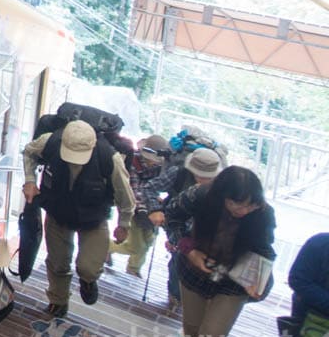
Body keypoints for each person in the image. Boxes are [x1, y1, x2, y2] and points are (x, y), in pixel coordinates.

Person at [163, 165, 275, 337]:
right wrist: (189, 249)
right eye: (236, 203)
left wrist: (260, 280)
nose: (243, 210)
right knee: (193, 327)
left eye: (249, 205)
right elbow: (172, 217)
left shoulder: (263, 212)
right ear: (222, 195)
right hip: (194, 269)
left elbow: (265, 250)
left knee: (213, 335)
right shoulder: (200, 195)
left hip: (235, 279)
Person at [22, 119, 135, 318]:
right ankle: (58, 300)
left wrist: (124, 224)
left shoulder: (110, 157)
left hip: (93, 218)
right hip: (58, 212)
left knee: (89, 267)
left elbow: (125, 195)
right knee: (57, 262)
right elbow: (29, 152)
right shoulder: (49, 142)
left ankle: (88, 281)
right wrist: (30, 180)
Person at [163, 146, 225, 314]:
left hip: (209, 247)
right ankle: (177, 298)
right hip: (189, 240)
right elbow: (173, 216)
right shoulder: (181, 175)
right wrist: (178, 238)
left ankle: (187, 304)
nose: (199, 179)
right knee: (179, 264)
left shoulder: (224, 190)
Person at [108, 134, 174, 278]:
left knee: (149, 240)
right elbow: (133, 190)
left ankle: (134, 268)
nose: (153, 163)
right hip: (132, 206)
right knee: (136, 246)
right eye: (151, 160)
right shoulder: (133, 161)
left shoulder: (161, 166)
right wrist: (147, 209)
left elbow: (158, 186)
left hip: (150, 207)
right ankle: (105, 247)